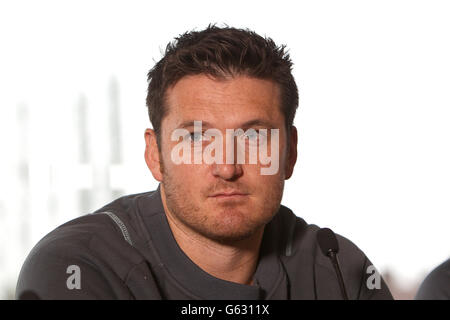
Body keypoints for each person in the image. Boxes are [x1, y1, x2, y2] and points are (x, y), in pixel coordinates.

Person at [15, 25, 393, 300]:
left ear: (289, 153)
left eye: (254, 137)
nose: (227, 167)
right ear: (155, 154)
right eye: (197, 139)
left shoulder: (337, 269)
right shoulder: (78, 268)